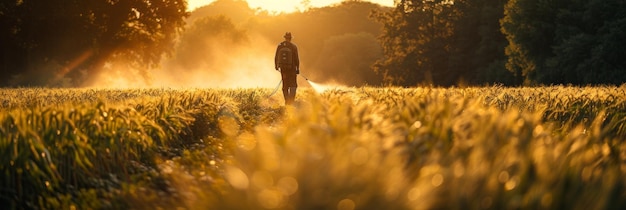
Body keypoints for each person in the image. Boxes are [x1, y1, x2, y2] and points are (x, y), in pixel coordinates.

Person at [275, 32, 300, 105]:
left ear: (285, 37)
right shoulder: (293, 46)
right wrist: (297, 68)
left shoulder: (280, 46)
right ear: (291, 38)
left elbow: (276, 56)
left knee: (285, 85)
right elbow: (296, 59)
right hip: (292, 69)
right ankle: (291, 101)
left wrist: (276, 66)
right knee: (293, 85)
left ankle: (287, 100)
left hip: (283, 70)